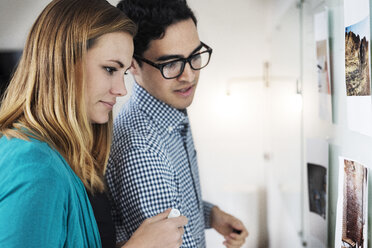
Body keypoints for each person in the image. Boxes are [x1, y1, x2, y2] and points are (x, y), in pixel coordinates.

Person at [0, 0, 187, 247]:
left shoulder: (63, 156)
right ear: (64, 62)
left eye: (124, 74)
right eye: (110, 69)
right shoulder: (35, 164)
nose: (121, 90)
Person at [105, 0, 249, 247]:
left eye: (194, 56)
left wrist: (210, 214)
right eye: (170, 64)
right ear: (133, 64)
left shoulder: (169, 112)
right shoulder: (143, 149)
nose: (189, 76)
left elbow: (173, 209)